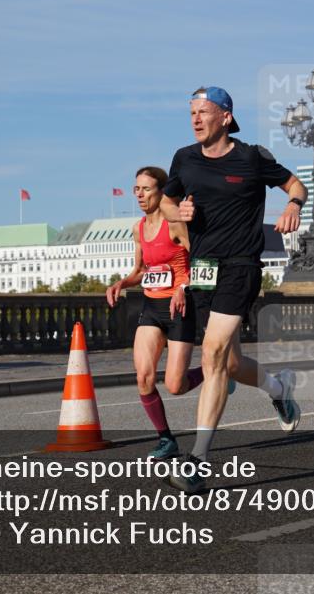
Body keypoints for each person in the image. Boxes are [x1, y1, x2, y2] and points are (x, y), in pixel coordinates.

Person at [160, 86, 308, 493]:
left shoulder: (251, 157)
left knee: (211, 355)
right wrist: (179, 211)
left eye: (202, 111)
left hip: (240, 267)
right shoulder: (183, 159)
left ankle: (197, 461)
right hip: (203, 270)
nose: (194, 119)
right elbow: (168, 203)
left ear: (225, 116)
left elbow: (296, 185)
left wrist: (293, 206)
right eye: (191, 112)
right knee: (227, 363)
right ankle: (279, 388)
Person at [105, 167, 204, 460]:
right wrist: (122, 282)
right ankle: (166, 439)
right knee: (144, 376)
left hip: (179, 307)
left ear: (161, 192)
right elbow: (140, 271)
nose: (139, 194)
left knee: (176, 385)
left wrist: (183, 287)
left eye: (146, 189)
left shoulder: (174, 225)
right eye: (137, 189)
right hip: (151, 309)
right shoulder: (138, 228)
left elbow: (201, 261)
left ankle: (215, 372)